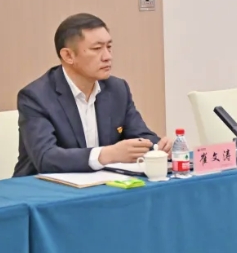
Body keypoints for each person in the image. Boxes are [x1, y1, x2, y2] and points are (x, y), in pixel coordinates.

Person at [14, 14, 170, 177]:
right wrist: (106, 154)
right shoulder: (36, 97)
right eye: (97, 49)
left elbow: (140, 135)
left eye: (109, 47)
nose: (107, 57)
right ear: (68, 56)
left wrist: (159, 147)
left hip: (101, 184)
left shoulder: (117, 89)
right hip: (42, 188)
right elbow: (46, 158)